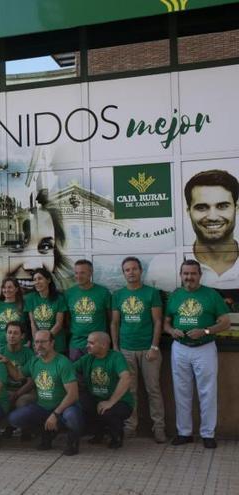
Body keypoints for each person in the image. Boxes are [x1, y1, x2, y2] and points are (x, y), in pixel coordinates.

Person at [165, 259, 230, 449]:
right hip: (180, 348)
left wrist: (206, 331)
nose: (189, 277)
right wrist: (171, 331)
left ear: (200, 275)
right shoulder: (175, 295)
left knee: (207, 391)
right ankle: (184, 433)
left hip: (205, 348)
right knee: (181, 391)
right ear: (180, 275)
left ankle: (208, 434)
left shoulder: (211, 294)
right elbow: (166, 322)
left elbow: (225, 321)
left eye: (193, 273)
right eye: (185, 273)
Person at [110, 256, 165, 443]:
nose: (131, 272)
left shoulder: (151, 293)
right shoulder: (118, 295)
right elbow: (115, 322)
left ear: (141, 271)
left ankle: (159, 428)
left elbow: (158, 322)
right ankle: (130, 427)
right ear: (123, 273)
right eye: (127, 270)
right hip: (126, 349)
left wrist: (154, 346)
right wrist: (115, 347)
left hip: (149, 350)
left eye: (134, 269)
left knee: (153, 390)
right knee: (130, 391)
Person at [3, 330, 83, 456]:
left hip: (64, 408)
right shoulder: (35, 361)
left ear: (52, 343)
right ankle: (47, 433)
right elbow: (18, 375)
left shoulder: (63, 362)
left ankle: (72, 441)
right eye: (37, 342)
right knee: (15, 418)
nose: (39, 345)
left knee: (72, 416)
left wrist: (55, 414)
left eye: (43, 342)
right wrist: (7, 362)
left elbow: (73, 395)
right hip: (43, 407)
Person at [74, 332, 133, 449]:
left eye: (91, 343)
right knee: (82, 403)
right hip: (96, 399)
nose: (87, 346)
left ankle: (116, 436)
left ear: (104, 345)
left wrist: (111, 402)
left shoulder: (116, 357)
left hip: (120, 402)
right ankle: (98, 433)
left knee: (108, 412)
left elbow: (126, 377)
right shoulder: (87, 358)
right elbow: (67, 368)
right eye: (87, 342)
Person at [185, 170, 239, 287]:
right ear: (189, 212)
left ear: (236, 208)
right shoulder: (162, 265)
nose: (213, 217)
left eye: (222, 206)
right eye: (202, 207)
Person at [65, 260, 111, 361]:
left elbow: (110, 319)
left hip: (98, 344)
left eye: (82, 273)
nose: (78, 276)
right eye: (76, 273)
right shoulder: (69, 293)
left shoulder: (103, 292)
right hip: (76, 344)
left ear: (90, 273)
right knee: (77, 375)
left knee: (98, 375)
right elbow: (67, 319)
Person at [0, 321, 36, 439]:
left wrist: (18, 393)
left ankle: (27, 430)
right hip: (7, 389)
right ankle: (8, 427)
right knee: (2, 397)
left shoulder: (28, 354)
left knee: (21, 401)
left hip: (25, 390)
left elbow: (31, 381)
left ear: (22, 336)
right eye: (9, 332)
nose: (11, 336)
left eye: (15, 333)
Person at [25, 268, 68, 354]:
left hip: (56, 342)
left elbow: (58, 324)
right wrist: (37, 342)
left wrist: (45, 340)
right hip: (39, 343)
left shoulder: (59, 298)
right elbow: (33, 324)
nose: (37, 282)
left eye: (40, 278)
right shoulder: (30, 298)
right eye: (35, 280)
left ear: (48, 280)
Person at [0, 277, 26, 353]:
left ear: (16, 289)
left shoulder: (23, 305)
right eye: (4, 287)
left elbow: (28, 325)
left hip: (19, 345)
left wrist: (28, 340)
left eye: (10, 287)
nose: (6, 290)